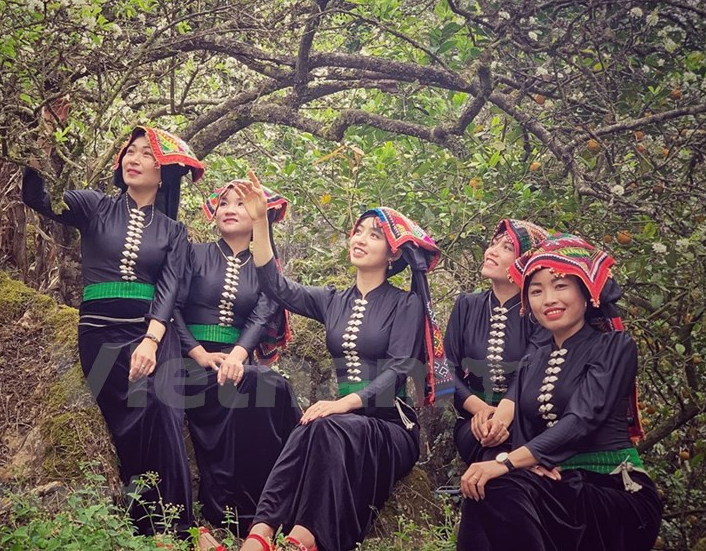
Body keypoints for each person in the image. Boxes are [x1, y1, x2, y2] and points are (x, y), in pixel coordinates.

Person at [234, 171, 451, 551]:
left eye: (374, 234)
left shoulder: (406, 304)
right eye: (358, 231)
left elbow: (400, 367)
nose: (360, 238)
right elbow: (276, 287)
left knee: (326, 425)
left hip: (390, 424)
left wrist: (342, 404)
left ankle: (304, 539)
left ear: (394, 252)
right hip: (343, 421)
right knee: (310, 425)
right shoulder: (333, 299)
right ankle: (260, 534)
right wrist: (260, 223)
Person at [22, 125, 203, 537]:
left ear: (164, 174)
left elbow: (171, 290)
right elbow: (39, 199)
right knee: (131, 416)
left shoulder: (174, 232)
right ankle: (144, 525)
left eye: (147, 155)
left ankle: (177, 530)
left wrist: (152, 342)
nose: (133, 159)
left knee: (163, 407)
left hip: (152, 334)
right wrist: (36, 147)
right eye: (130, 151)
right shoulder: (93, 206)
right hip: (99, 333)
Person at [456, 234, 661, 551]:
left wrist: (509, 462)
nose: (548, 299)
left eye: (561, 286)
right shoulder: (532, 358)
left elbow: (581, 420)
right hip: (558, 482)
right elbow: (524, 426)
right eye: (536, 291)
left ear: (585, 292)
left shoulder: (614, 345)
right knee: (487, 488)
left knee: (500, 483)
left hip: (611, 487)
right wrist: (525, 460)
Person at [175, 181, 301, 535]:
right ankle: (229, 515)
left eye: (241, 204)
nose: (229, 209)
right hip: (189, 361)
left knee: (271, 387)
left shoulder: (266, 269)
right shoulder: (192, 253)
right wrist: (197, 352)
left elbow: (262, 315)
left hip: (238, 363)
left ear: (260, 217)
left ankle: (278, 502)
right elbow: (170, 307)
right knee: (257, 384)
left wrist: (239, 356)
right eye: (224, 203)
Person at [443, 219, 549, 463]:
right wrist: (481, 410)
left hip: (528, 425)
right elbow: (446, 370)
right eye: (493, 244)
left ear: (525, 262)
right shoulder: (467, 305)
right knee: (487, 448)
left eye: (507, 247)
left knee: (501, 464)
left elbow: (533, 374)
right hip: (475, 424)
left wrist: (502, 416)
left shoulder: (539, 312)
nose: (491, 251)